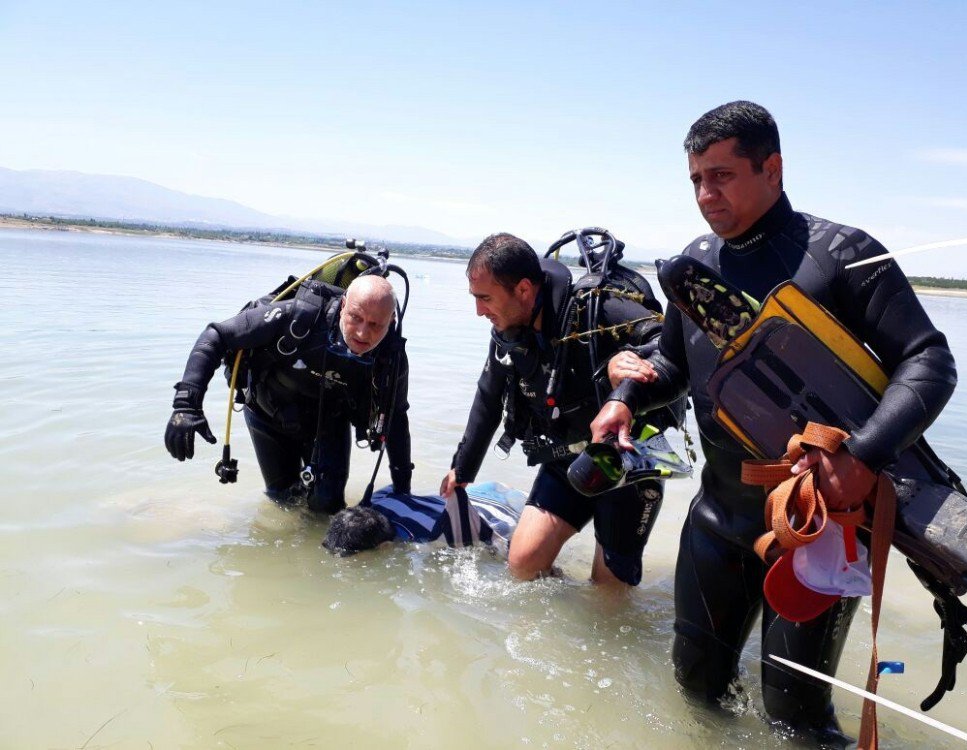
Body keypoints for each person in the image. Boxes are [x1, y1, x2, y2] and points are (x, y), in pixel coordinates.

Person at [590, 101, 957, 740]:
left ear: (774, 168)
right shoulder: (694, 263)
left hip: (818, 531)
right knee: (698, 688)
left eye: (723, 175)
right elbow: (675, 366)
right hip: (717, 520)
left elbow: (929, 360)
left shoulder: (840, 254)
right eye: (697, 179)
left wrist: (864, 454)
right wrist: (625, 396)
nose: (706, 194)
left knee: (796, 721)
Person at [439, 232, 675, 586]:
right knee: (522, 565)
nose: (479, 311)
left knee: (607, 596)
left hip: (626, 461)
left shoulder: (599, 308)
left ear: (522, 290)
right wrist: (463, 466)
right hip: (565, 458)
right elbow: (488, 396)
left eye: (485, 299)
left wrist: (627, 365)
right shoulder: (508, 331)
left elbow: (671, 347)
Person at [165, 273, 413, 514]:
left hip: (329, 422)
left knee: (327, 507)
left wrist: (403, 489)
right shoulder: (298, 317)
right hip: (269, 413)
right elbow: (216, 335)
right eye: (355, 317)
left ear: (391, 321)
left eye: (375, 325)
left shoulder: (391, 358)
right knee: (282, 499)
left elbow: (397, 418)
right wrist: (186, 405)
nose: (361, 333)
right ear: (343, 306)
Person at [322, 481, 524, 555]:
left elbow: (495, 542)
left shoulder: (431, 536)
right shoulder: (375, 500)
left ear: (384, 546)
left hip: (503, 511)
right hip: (481, 489)